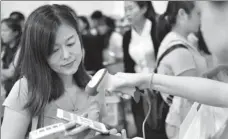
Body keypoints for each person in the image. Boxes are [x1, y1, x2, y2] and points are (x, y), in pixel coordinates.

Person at [109, 1, 228, 139]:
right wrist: (146, 80)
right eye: (198, 13)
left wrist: (148, 80)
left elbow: (214, 93)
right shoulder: (177, 46)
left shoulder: (175, 40)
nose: (201, 22)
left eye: (201, 13)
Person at [1, 4, 120, 139]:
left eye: (70, 43)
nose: (66, 55)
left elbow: (101, 128)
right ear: (39, 53)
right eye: (54, 50)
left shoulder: (93, 85)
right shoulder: (26, 89)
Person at [155, 1, 208, 139]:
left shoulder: (179, 41)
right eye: (198, 13)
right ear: (182, 14)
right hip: (186, 124)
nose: (200, 18)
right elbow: (191, 96)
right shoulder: (178, 49)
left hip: (182, 122)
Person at [122, 1, 163, 138]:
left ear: (144, 8)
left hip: (159, 85)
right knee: (142, 127)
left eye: (130, 9)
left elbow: (163, 60)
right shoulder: (127, 35)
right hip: (138, 87)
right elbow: (128, 65)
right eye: (125, 9)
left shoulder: (156, 28)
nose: (127, 13)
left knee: (159, 126)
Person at [1, 18, 22, 98]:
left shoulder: (21, 48)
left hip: (19, 93)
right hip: (8, 91)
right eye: (1, 30)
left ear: (15, 32)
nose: (2, 33)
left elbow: (11, 73)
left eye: (5, 30)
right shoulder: (5, 48)